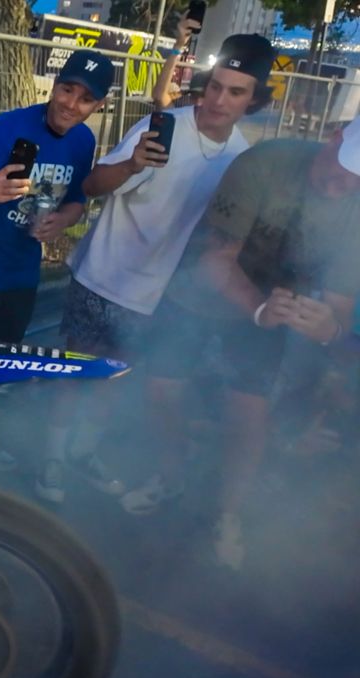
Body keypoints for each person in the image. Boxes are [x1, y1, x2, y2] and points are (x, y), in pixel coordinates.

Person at [37, 34, 275, 508]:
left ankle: (83, 452)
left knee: (114, 380)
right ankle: (53, 460)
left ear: (253, 101)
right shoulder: (162, 126)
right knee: (77, 375)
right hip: (103, 276)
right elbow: (93, 185)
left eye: (235, 92)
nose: (218, 100)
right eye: (215, 86)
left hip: (156, 295)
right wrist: (131, 163)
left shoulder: (240, 157)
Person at [147, 117, 360, 569]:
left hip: (274, 306)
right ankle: (170, 472)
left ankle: (227, 514)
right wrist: (258, 309)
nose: (342, 185)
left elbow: (341, 303)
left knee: (249, 412)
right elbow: (215, 259)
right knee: (163, 389)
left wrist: (329, 329)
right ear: (336, 136)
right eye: (342, 168)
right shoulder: (266, 163)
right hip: (198, 295)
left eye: (356, 180)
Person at [0, 49, 111, 344]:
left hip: (23, 273)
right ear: (55, 84)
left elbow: (76, 201)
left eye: (85, 99)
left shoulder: (83, 140)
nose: (71, 104)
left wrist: (62, 221)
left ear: (99, 105)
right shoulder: (7, 126)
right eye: (67, 90)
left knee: (9, 357)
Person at [151, 12, 203, 110]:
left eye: (204, 97)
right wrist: (178, 45)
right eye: (194, 97)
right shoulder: (181, 115)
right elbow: (159, 95)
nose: (198, 102)